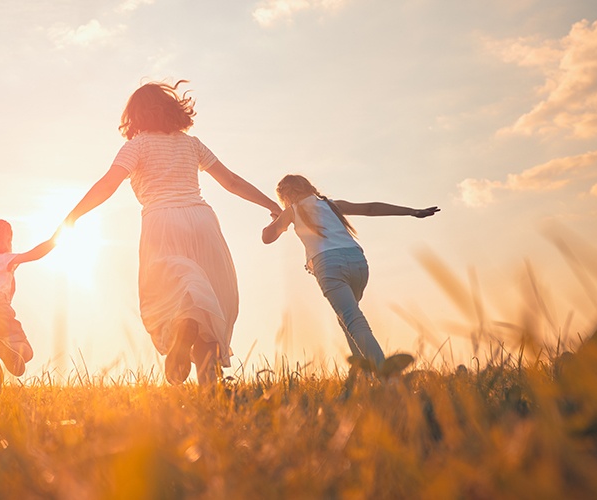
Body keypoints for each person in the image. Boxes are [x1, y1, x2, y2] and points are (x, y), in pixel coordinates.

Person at [61, 81, 282, 386]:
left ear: (135, 115)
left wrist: (72, 217)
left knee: (173, 293)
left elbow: (107, 185)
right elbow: (230, 181)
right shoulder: (191, 144)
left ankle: (184, 327)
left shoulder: (136, 146)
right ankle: (210, 389)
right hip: (203, 221)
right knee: (210, 300)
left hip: (161, 221)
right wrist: (272, 205)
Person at [261, 174, 439, 370]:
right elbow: (371, 208)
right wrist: (412, 211)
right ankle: (364, 376)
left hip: (329, 265)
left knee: (353, 321)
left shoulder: (292, 211)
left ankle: (387, 378)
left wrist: (276, 219)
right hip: (358, 262)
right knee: (347, 320)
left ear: (285, 196)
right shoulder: (331, 205)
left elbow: (267, 237)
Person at [0, 220, 57, 388]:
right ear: (6, 241)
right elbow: (35, 254)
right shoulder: (4, 259)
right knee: (25, 351)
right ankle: (7, 350)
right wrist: (55, 239)